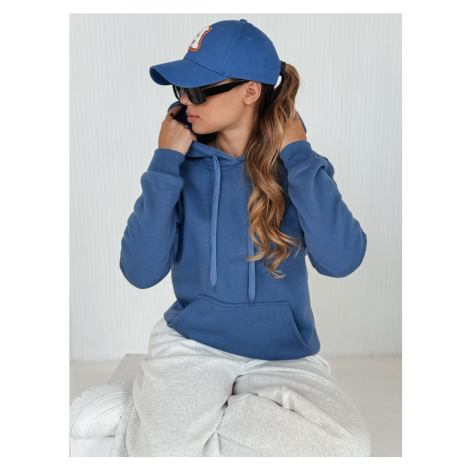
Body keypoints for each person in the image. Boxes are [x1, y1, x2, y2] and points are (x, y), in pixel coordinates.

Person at [70, 18, 371, 457]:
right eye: (181, 90)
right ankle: (169, 414)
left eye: (198, 91)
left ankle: (169, 413)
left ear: (250, 91)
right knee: (162, 455)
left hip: (283, 354)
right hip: (193, 345)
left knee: (347, 448)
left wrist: (300, 156)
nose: (185, 102)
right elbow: (140, 272)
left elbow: (341, 261)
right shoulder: (177, 167)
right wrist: (164, 162)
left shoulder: (299, 168)